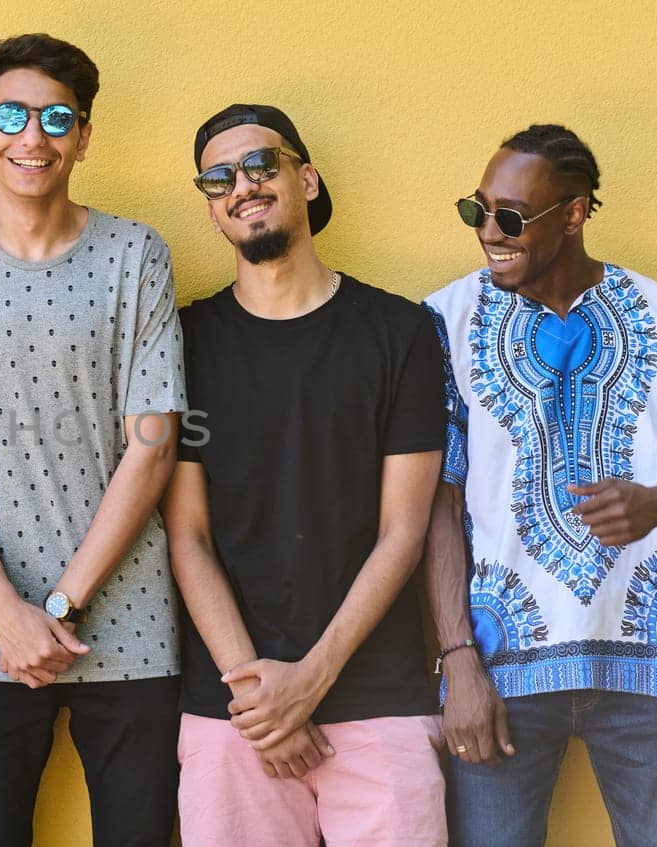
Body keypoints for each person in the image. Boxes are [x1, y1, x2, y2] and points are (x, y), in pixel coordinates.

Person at [425, 124, 657, 846]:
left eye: (510, 216)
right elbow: (437, 504)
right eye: (477, 210)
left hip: (648, 670)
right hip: (501, 675)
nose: (489, 231)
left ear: (574, 213)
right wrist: (456, 660)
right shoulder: (444, 323)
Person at [0, 33, 187, 846]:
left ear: (84, 135)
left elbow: (153, 444)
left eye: (57, 117)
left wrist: (58, 605)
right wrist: (5, 613)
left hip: (127, 621)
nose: (35, 137)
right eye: (14, 115)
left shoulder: (136, 254)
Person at [165, 104, 447, 846]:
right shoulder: (184, 342)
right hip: (233, 707)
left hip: (378, 694)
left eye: (262, 165)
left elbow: (403, 530)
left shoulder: (400, 332)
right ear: (211, 205)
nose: (242, 185)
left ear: (306, 176)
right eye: (219, 176)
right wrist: (259, 697)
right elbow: (186, 534)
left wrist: (310, 681)